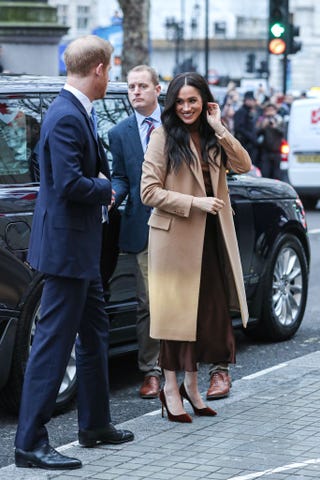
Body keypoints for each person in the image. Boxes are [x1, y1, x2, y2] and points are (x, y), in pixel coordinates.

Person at [14, 35, 134, 471]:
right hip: (67, 251)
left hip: (78, 249)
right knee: (52, 344)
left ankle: (95, 424)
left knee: (95, 333)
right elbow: (68, 184)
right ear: (100, 69)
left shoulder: (74, 110)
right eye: (112, 69)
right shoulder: (66, 115)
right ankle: (29, 443)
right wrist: (109, 190)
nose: (112, 76)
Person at [140, 72, 251, 422]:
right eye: (181, 101)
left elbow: (244, 164)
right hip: (174, 241)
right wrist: (195, 203)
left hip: (211, 238)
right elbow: (149, 191)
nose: (187, 108)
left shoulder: (212, 136)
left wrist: (219, 127)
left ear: (205, 102)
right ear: (171, 103)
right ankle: (170, 389)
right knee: (174, 320)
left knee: (202, 317)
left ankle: (191, 386)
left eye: (193, 101)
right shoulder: (162, 135)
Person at [108, 65, 162, 399]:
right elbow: (122, 178)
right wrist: (111, 194)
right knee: (148, 302)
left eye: (143, 86)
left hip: (181, 227)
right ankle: (151, 371)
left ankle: (184, 365)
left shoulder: (176, 126)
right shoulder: (119, 132)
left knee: (184, 296)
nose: (136, 92)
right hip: (143, 229)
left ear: (158, 89)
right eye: (131, 87)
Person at [256, 102, 284, 179]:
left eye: (272, 110)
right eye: (268, 110)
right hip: (265, 152)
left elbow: (283, 133)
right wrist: (263, 127)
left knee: (276, 175)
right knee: (265, 173)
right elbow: (256, 134)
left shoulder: (279, 120)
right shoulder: (262, 120)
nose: (270, 112)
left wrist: (276, 127)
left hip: (276, 151)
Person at [234, 91, 259, 165]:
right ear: (246, 100)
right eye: (252, 100)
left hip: (250, 144)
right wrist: (251, 136)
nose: (253, 102)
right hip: (244, 144)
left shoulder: (248, 111)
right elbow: (238, 128)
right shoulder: (241, 111)